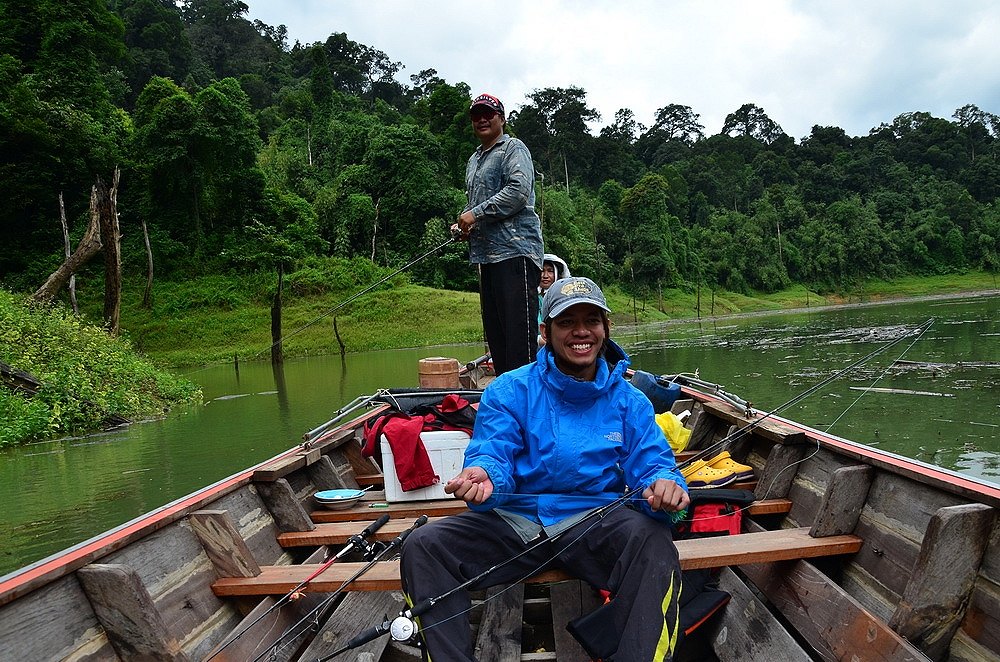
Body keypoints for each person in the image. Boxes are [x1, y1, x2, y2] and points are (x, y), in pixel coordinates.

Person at [400, 277, 690, 661]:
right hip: (515, 524)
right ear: (545, 332)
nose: (581, 332)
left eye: (592, 320)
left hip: (594, 524)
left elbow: (652, 462)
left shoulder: (631, 401)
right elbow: (493, 451)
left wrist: (665, 485)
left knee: (654, 542)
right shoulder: (508, 390)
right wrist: (484, 475)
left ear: (606, 328)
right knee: (422, 546)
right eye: (567, 322)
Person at [452, 93, 543, 376]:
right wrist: (464, 226)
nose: (481, 119)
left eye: (488, 114)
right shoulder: (473, 160)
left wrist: (475, 214)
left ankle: (529, 407)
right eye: (476, 115)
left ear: (501, 119)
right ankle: (507, 404)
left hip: (516, 253)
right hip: (486, 257)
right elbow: (476, 204)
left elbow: (517, 192)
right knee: (497, 338)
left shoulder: (513, 148)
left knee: (519, 339)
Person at [537, 253, 570, 345]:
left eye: (550, 271)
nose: (545, 276)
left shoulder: (564, 298)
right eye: (542, 271)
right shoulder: (530, 297)